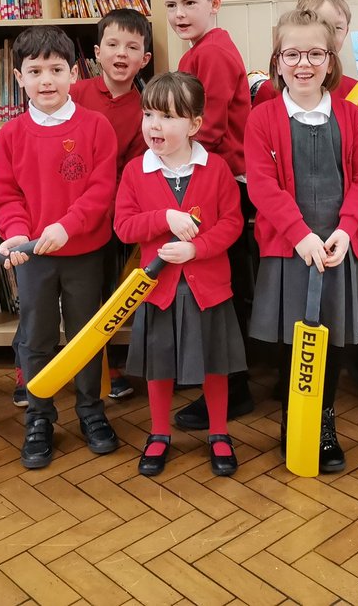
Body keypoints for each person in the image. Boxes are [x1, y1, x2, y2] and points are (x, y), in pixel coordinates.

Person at [246, 8, 358, 473]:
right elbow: (263, 186)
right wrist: (300, 236)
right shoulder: (263, 119)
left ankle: (324, 421)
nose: (303, 64)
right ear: (277, 61)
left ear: (330, 61)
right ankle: (294, 420)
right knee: (292, 344)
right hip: (289, 252)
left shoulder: (352, 117)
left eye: (315, 54)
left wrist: (346, 230)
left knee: (334, 341)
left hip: (340, 250)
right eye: (292, 54)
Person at [0, 26, 119, 469]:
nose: (46, 80)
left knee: (86, 334)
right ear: (18, 77)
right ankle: (39, 415)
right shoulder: (11, 135)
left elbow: (102, 189)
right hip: (33, 258)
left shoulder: (96, 126)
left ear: (74, 73)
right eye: (35, 71)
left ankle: (91, 410)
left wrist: (68, 226)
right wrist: (15, 234)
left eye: (56, 69)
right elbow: (5, 196)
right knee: (37, 337)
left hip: (84, 252)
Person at [114, 72, 246, 477]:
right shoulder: (135, 172)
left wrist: (196, 248)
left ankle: (219, 432)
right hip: (160, 292)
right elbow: (124, 227)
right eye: (148, 114)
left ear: (194, 124)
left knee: (214, 364)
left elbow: (232, 224)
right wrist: (164, 218)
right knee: (160, 365)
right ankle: (158, 434)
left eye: (168, 117)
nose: (154, 125)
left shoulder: (217, 169)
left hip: (209, 290)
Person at [163, 0, 255, 427]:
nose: (179, 13)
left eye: (189, 2)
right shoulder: (199, 50)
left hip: (222, 182)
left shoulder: (212, 53)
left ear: (214, 3)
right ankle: (220, 379)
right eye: (171, 5)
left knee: (219, 290)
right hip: (211, 175)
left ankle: (233, 388)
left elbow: (210, 128)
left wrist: (179, 175)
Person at [70, 7, 154, 404]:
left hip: (104, 218)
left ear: (145, 59)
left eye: (132, 47)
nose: (122, 54)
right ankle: (26, 371)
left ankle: (104, 365)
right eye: (113, 44)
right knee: (44, 296)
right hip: (59, 212)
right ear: (97, 52)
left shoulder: (144, 109)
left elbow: (132, 170)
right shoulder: (75, 93)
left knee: (99, 294)